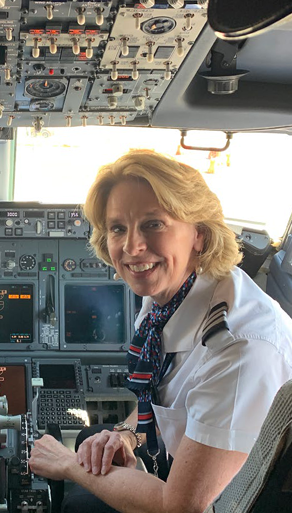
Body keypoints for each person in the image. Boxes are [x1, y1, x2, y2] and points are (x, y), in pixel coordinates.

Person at [29, 150, 292, 513]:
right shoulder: (173, 290)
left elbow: (181, 506)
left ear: (198, 234)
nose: (133, 248)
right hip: (191, 455)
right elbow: (161, 386)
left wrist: (66, 465)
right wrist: (125, 435)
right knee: (95, 439)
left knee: (79, 500)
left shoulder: (240, 348)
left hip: (224, 501)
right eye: (118, 228)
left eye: (153, 224)